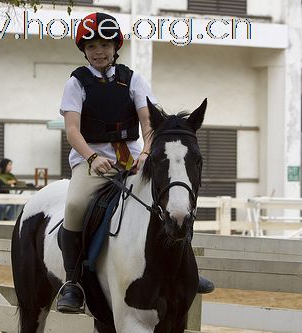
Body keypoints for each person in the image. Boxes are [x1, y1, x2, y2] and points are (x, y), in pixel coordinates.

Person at [57, 12, 213, 313]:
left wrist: (145, 153)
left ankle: (185, 271)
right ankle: (73, 282)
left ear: (116, 47)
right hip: (93, 163)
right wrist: (92, 157)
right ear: (84, 51)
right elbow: (73, 131)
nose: (98, 51)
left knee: (171, 199)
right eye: (91, 47)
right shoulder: (76, 83)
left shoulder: (133, 79)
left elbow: (148, 121)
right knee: (75, 205)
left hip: (133, 161)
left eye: (104, 45)